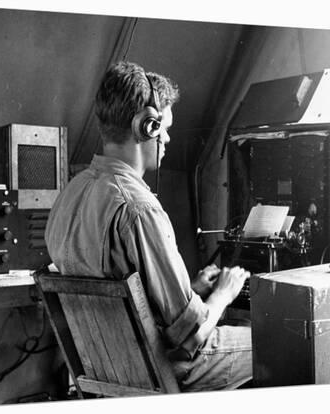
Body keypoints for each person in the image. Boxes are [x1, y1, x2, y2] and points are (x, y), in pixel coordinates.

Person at [45, 61, 252, 391]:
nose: (167, 138)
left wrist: (192, 290)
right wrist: (224, 295)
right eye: (165, 128)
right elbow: (190, 338)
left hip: (109, 369)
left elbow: (125, 295)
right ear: (147, 127)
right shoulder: (139, 209)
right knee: (274, 344)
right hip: (164, 372)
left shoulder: (70, 192)